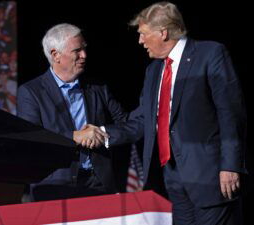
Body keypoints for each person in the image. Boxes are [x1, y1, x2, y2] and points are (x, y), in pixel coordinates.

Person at [105, 2, 246, 224]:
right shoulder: (153, 71)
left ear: (163, 32)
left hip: (211, 177)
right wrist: (103, 133)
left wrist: (230, 165)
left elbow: (230, 114)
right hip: (173, 178)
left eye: (143, 34)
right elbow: (143, 120)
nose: (140, 41)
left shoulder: (210, 54)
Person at [17, 23, 129, 201]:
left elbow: (126, 125)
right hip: (53, 186)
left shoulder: (98, 88)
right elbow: (32, 137)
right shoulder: (31, 92)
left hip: (99, 183)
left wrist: (102, 134)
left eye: (84, 49)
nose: (84, 56)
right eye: (77, 51)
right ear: (56, 55)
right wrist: (74, 136)